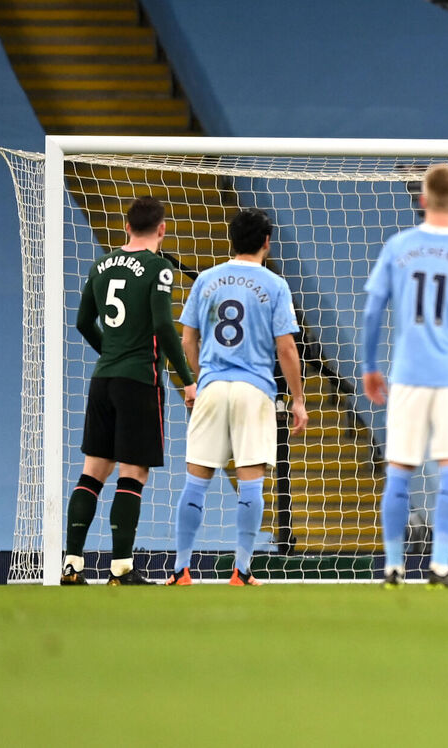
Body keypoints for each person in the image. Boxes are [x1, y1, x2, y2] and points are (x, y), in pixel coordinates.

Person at [361, 163, 448, 589]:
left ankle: (392, 565)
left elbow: (372, 312)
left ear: (422, 200)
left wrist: (370, 367)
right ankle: (441, 565)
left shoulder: (397, 246)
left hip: (407, 375)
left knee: (400, 471)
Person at [164, 208, 308, 586]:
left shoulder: (207, 280)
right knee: (250, 482)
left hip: (211, 387)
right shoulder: (275, 285)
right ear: (266, 242)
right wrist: (298, 398)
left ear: (232, 240)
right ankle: (241, 571)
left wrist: (198, 380)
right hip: (254, 389)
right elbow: (287, 348)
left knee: (196, 481)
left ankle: (180, 570)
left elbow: (187, 339)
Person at [60, 196, 197, 586]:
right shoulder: (159, 267)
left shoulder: (99, 266)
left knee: (92, 473)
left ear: (125, 227)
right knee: (133, 472)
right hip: (138, 382)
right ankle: (120, 569)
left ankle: (72, 564)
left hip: (103, 380)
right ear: (162, 229)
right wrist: (188, 379)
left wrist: (111, 352)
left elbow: (83, 322)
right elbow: (163, 326)